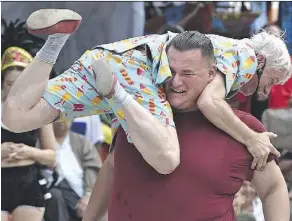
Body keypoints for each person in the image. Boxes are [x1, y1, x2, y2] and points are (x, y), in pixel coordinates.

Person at [66, 32, 290, 221]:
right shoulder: (139, 116)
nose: (175, 81)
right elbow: (112, 170)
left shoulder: (245, 131)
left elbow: (274, 188)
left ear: (211, 74)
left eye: (188, 73)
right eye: (169, 70)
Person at [3, 9, 291, 173]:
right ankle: (117, 94)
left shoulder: (227, 49)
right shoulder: (246, 56)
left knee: (14, 118)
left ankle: (57, 40)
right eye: (273, 80)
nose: (269, 90)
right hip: (139, 72)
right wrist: (252, 139)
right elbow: (209, 102)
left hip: (109, 57)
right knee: (167, 160)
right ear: (264, 60)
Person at [1, 46, 56, 221]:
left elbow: (52, 156)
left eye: (19, 83)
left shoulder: (38, 111)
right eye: (9, 83)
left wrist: (27, 151)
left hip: (29, 184)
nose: (13, 88)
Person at [44, 120, 102, 221]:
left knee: (67, 198)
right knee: (56, 195)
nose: (62, 121)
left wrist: (88, 195)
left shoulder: (80, 141)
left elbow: (94, 168)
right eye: (57, 119)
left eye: (66, 117)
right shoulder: (43, 141)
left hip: (78, 193)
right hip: (50, 193)